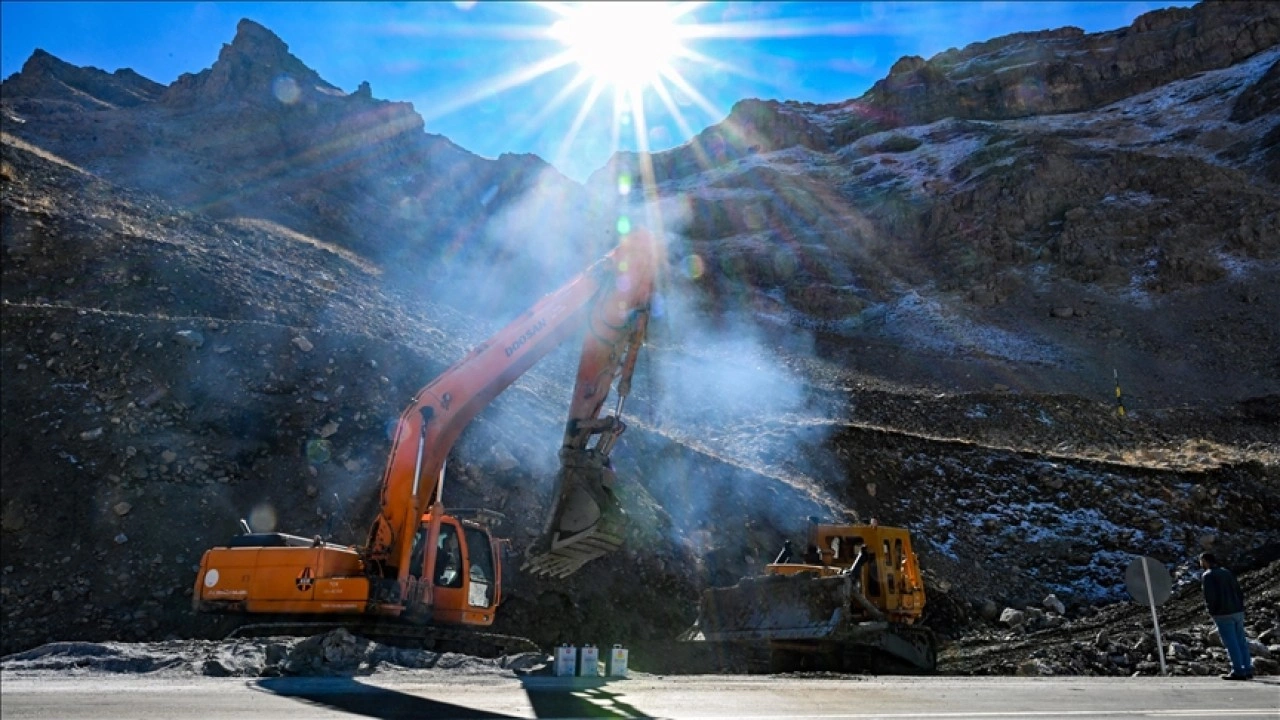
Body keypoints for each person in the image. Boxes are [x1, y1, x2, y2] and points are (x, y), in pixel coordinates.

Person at [1199, 552, 1253, 680]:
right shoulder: (1226, 572)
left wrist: (1212, 611)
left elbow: (1210, 597)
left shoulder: (1208, 575)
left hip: (1223, 613)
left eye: (1201, 561)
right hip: (1237, 611)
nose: (1200, 564)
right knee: (1241, 641)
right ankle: (1247, 669)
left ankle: (1238, 671)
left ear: (1205, 561)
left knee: (1231, 642)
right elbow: (1238, 590)